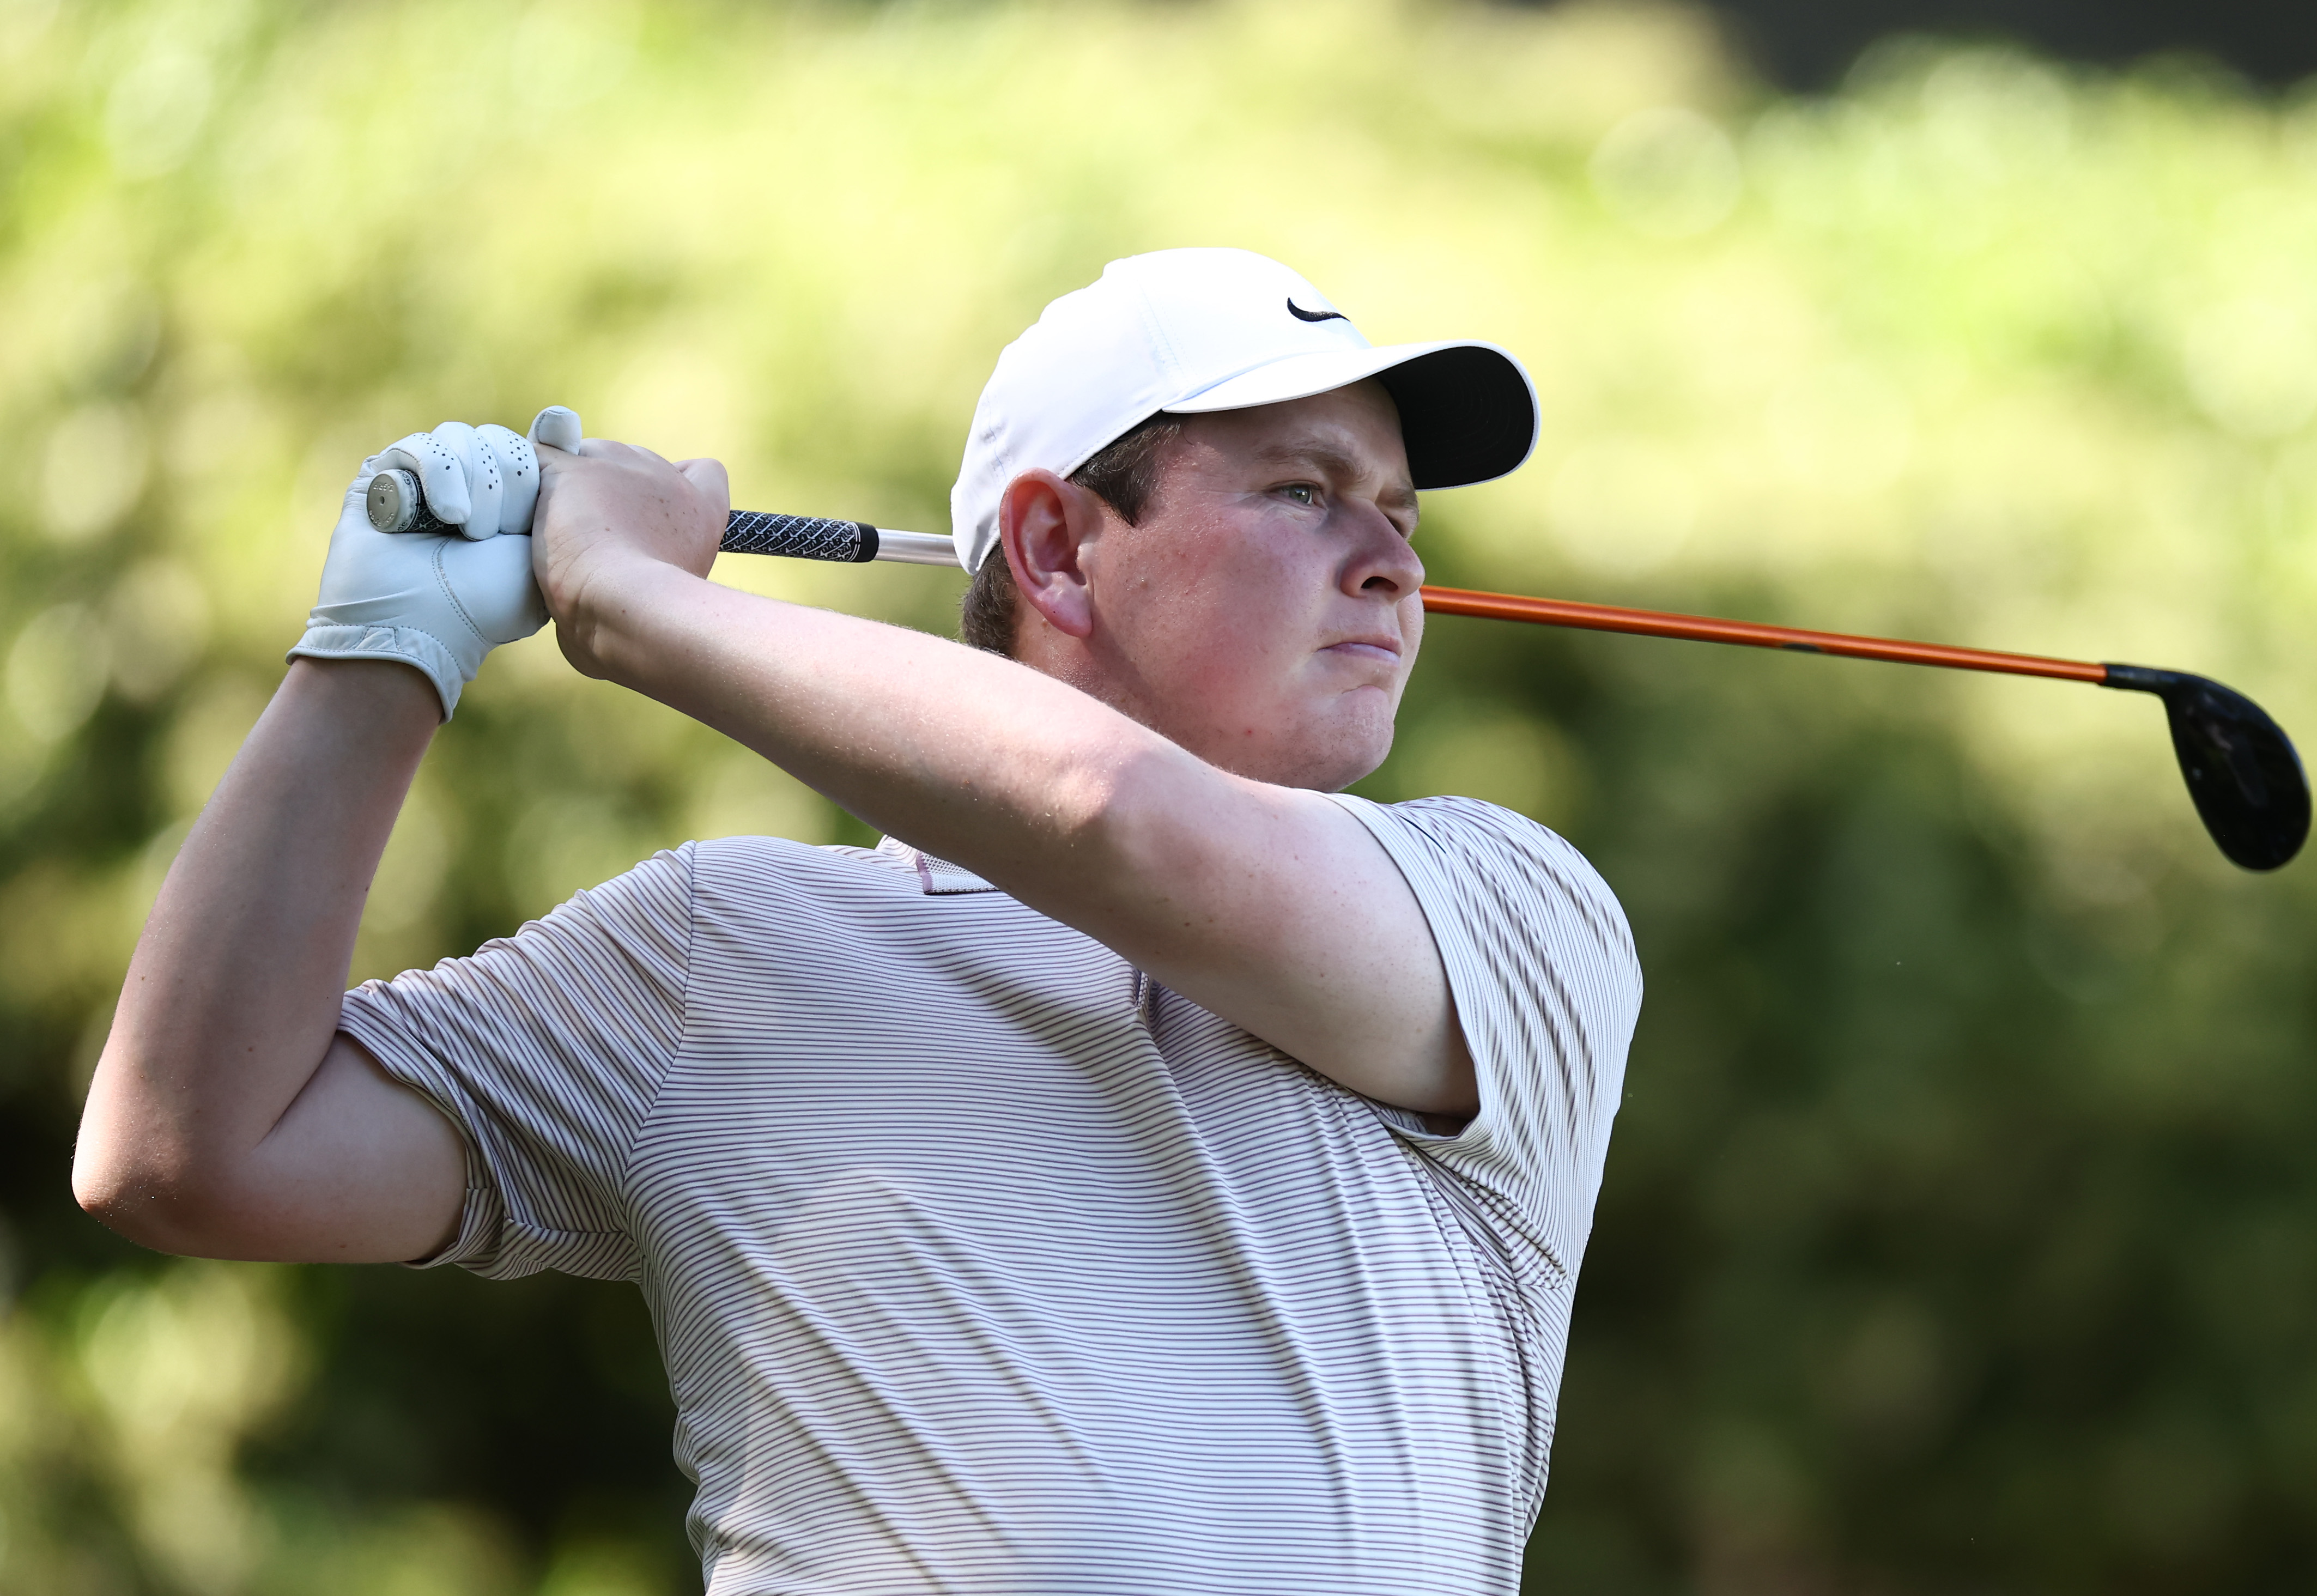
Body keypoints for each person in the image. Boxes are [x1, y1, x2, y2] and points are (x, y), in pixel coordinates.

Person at [73, 248, 1640, 1594]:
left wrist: (630, 597)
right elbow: (187, 1151)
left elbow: (1114, 818)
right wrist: (383, 641)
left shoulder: (1514, 912)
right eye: (1304, 492)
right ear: (1052, 550)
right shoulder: (720, 949)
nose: (1391, 562)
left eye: (1399, 515)